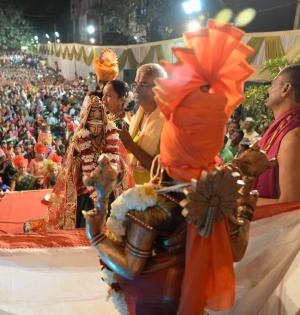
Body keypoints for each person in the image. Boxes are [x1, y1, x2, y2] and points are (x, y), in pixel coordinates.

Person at [83, 19, 257, 315]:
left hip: (156, 302)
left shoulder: (155, 208)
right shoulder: (219, 192)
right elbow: (236, 252)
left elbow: (130, 267)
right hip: (192, 300)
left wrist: (95, 231)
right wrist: (247, 209)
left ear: (173, 144)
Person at [47, 96, 122, 229]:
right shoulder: (80, 137)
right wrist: (79, 158)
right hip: (86, 188)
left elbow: (117, 160)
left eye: (99, 122)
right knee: (84, 224)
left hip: (107, 186)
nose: (96, 128)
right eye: (92, 123)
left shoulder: (110, 135)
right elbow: (72, 165)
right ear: (87, 122)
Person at [255, 64, 300, 204]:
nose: (268, 89)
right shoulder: (281, 130)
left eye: (272, 84)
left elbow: (290, 204)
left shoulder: (292, 136)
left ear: (286, 89)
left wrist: (238, 201)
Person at [118, 63, 166, 184]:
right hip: (132, 191)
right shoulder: (135, 118)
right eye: (135, 84)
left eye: (143, 84)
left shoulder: (168, 122)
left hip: (155, 196)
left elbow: (165, 171)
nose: (136, 89)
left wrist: (130, 145)